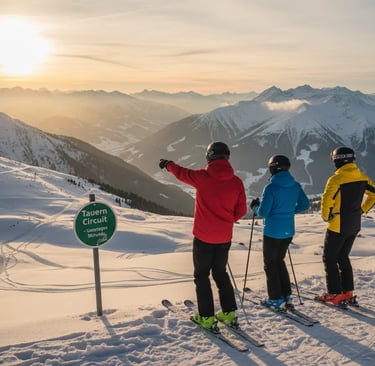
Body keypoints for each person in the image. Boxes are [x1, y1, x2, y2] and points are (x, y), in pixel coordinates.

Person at [159, 142, 247, 330]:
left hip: (203, 238)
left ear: (209, 156)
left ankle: (206, 317)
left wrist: (168, 164)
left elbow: (181, 173)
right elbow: (241, 211)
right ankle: (229, 313)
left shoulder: (202, 177)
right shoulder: (236, 182)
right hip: (224, 238)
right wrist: (226, 220)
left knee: (201, 275)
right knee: (220, 273)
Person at [250, 155, 309, 311]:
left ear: (272, 168)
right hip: (288, 231)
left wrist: (254, 207)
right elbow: (305, 204)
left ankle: (275, 299)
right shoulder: (295, 185)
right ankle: (287, 295)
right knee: (279, 261)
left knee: (270, 264)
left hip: (272, 232)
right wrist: (289, 211)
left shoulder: (271, 187)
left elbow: (263, 212)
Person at [318, 146, 375, 306]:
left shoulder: (336, 180)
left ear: (337, 160)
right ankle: (348, 292)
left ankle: (334, 294)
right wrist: (362, 209)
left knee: (329, 258)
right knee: (343, 257)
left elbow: (326, 201)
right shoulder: (363, 177)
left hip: (337, 225)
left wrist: (326, 217)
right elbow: (374, 194)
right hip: (354, 224)